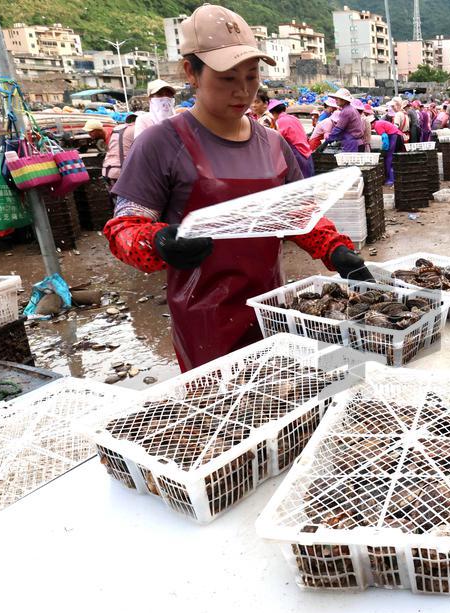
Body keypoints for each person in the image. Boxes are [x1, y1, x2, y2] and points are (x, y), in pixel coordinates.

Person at [104, 4, 373, 372]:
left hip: (274, 309)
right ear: (191, 73)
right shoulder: (161, 143)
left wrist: (336, 250)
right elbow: (125, 228)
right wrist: (160, 241)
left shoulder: (273, 143)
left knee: (283, 402)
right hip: (204, 318)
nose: (243, 91)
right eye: (228, 78)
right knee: (222, 416)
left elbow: (299, 214)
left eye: (251, 77)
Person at [268, 99, 314, 177]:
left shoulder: (280, 121)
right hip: (306, 151)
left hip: (297, 154)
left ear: (273, 113)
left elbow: (277, 140)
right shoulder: (293, 118)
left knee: (299, 180)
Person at [323, 88, 365, 152]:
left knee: (350, 161)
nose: (335, 100)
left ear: (344, 100)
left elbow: (338, 129)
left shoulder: (346, 111)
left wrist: (327, 141)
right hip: (357, 142)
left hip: (352, 143)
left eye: (337, 98)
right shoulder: (351, 109)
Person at [102, 112, 137, 189]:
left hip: (107, 170)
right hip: (122, 172)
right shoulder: (136, 129)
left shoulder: (117, 128)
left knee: (117, 199)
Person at [371, 115, 407, 186]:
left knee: (389, 158)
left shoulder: (377, 126)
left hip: (395, 136)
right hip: (397, 135)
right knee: (390, 158)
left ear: (371, 123)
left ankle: (391, 180)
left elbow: (384, 136)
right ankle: (392, 178)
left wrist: (385, 149)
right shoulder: (379, 123)